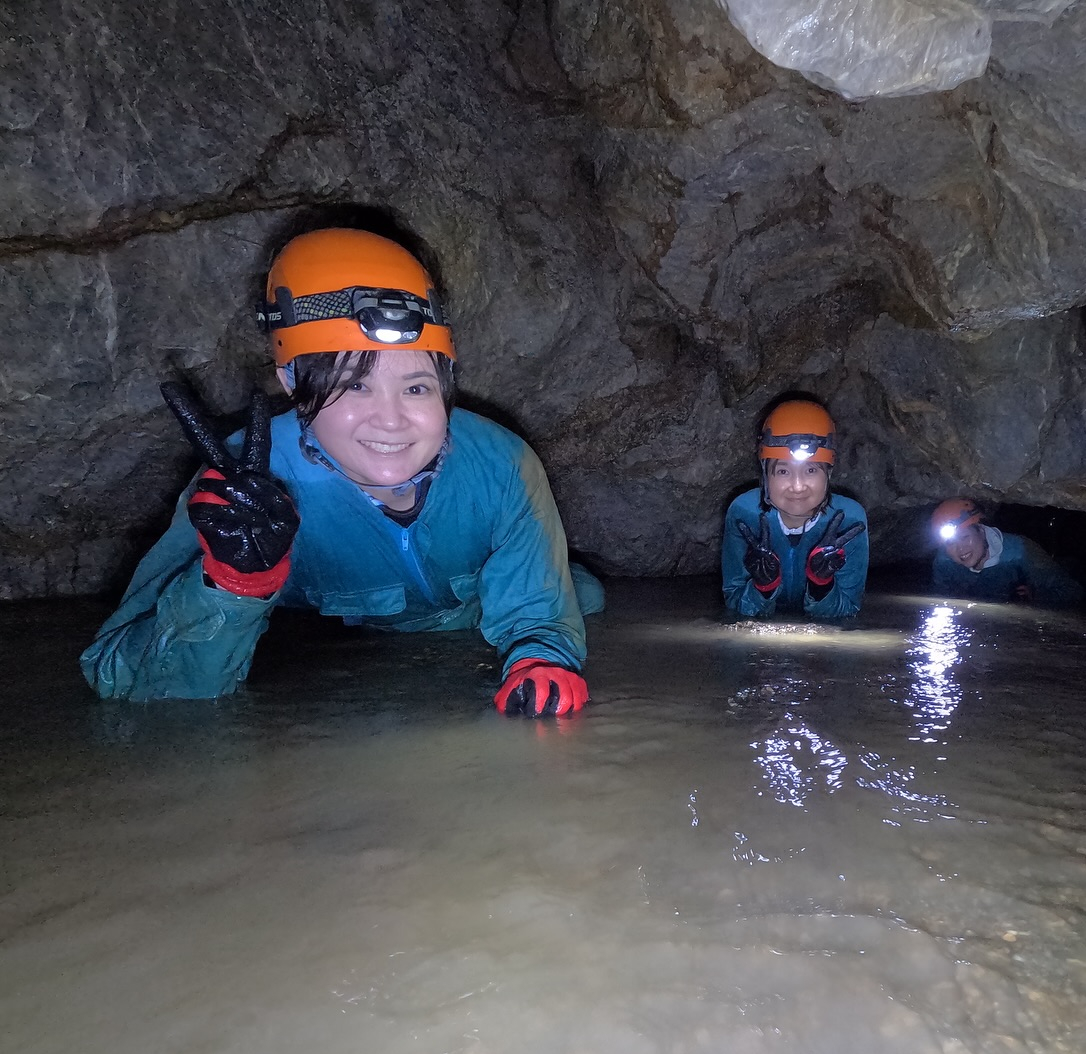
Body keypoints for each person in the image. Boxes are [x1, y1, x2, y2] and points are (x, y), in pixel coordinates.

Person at [81, 227, 601, 716]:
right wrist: (235, 581)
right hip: (334, 637)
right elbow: (123, 680)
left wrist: (541, 660)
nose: (392, 419)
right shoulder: (245, 486)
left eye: (417, 387)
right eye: (355, 384)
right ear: (291, 381)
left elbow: (539, 616)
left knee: (591, 596)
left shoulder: (502, 463)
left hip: (471, 616)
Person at [722, 400, 868, 620]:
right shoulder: (745, 515)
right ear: (765, 474)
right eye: (782, 471)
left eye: (810, 470)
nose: (798, 486)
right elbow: (734, 604)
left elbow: (848, 610)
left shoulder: (849, 522)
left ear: (828, 473)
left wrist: (822, 585)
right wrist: (763, 587)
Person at [930, 498, 1083, 608]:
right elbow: (939, 595)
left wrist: (1037, 597)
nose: (960, 549)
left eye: (965, 537)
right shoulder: (944, 561)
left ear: (981, 530)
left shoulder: (1019, 551)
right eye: (950, 543)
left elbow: (1071, 592)